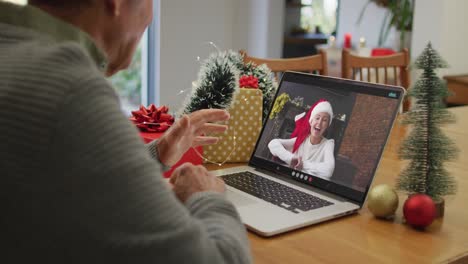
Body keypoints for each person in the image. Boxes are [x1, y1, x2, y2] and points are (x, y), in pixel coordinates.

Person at [0, 1, 251, 263]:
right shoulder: (70, 90)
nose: (150, 17)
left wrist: (157, 154)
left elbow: (67, 173)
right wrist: (205, 195)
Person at [268, 99, 335, 179]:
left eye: (324, 120)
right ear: (311, 121)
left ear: (327, 126)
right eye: (317, 118)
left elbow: (329, 169)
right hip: (289, 178)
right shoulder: (302, 139)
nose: (319, 123)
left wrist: (303, 164)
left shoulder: (328, 144)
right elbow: (273, 143)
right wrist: (291, 158)